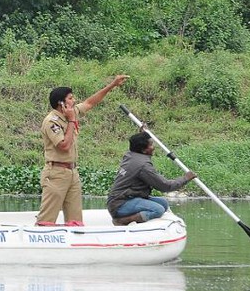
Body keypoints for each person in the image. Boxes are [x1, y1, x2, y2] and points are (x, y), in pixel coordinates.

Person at [36, 75, 129, 226]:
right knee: (46, 221)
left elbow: (89, 103)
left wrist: (112, 85)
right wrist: (72, 120)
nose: (74, 101)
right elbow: (64, 145)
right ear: (61, 104)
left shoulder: (71, 112)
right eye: (71, 98)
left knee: (75, 222)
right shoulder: (51, 121)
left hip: (72, 172)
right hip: (56, 173)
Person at [107, 132, 196, 225]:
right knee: (158, 210)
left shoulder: (130, 154)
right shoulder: (143, 166)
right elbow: (165, 186)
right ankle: (121, 221)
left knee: (163, 203)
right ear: (143, 150)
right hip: (120, 204)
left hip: (125, 199)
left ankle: (138, 219)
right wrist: (186, 178)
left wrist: (143, 132)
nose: (153, 147)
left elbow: (136, 143)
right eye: (151, 145)